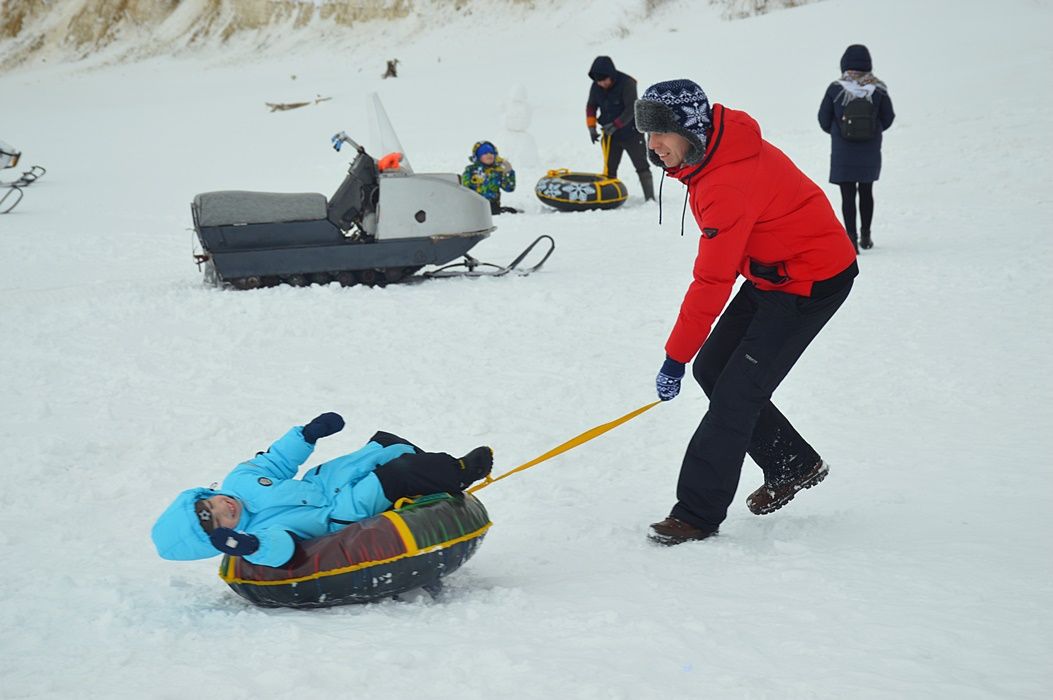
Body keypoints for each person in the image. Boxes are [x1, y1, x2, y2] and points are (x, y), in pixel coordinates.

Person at [633, 79, 858, 546]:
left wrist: (674, 357)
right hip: (773, 273)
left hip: (811, 280)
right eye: (647, 133)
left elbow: (711, 281)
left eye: (661, 132)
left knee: (736, 394)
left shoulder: (726, 181)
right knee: (714, 367)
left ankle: (696, 513)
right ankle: (792, 464)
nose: (652, 145)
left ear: (691, 128)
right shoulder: (712, 153)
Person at [151, 412, 493, 567]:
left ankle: (425, 475)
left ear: (202, 494)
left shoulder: (238, 479)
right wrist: (249, 545)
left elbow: (276, 461)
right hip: (338, 514)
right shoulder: (257, 535)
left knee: (384, 446)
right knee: (395, 475)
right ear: (223, 538)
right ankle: (458, 472)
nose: (224, 508)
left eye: (210, 505)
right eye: (218, 521)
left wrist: (307, 434)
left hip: (322, 482)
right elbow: (281, 550)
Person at [818, 44, 895, 251]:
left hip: (843, 151)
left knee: (848, 194)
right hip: (869, 149)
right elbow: (888, 118)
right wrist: (873, 131)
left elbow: (823, 120)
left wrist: (839, 132)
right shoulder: (877, 89)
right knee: (867, 191)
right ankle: (866, 236)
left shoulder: (836, 89)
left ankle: (850, 238)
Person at [586, 56, 655, 202]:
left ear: (611, 76)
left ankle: (650, 199)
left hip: (631, 133)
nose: (601, 84)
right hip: (610, 136)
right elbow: (591, 106)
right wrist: (591, 128)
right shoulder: (596, 86)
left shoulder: (627, 83)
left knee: (641, 165)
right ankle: (609, 199)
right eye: (598, 81)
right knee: (609, 169)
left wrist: (616, 124)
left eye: (604, 80)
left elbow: (631, 108)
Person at [461, 140, 517, 215]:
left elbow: (509, 188)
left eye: (491, 153)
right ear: (478, 156)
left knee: (511, 211)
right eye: (485, 153)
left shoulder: (498, 171)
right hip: (474, 205)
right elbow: (464, 189)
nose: (489, 155)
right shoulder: (470, 170)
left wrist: (508, 171)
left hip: (492, 205)